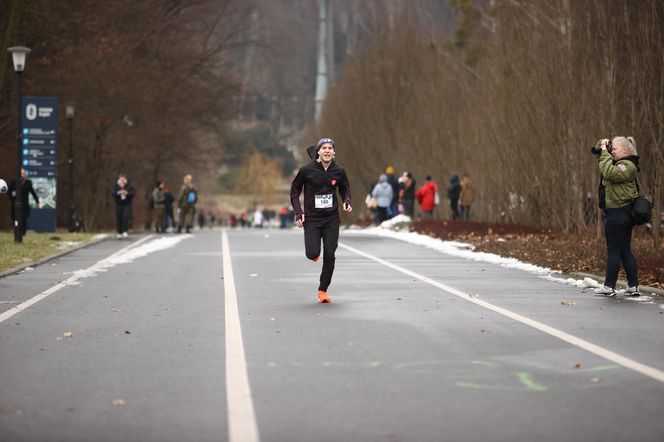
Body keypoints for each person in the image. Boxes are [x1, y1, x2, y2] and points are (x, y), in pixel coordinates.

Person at [290, 137, 352, 303]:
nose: (327, 150)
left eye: (330, 148)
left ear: (334, 152)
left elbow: (345, 188)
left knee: (330, 254)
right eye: (323, 148)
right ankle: (315, 252)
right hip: (312, 219)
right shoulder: (306, 170)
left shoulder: (339, 170)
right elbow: (295, 191)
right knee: (312, 253)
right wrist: (298, 212)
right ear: (318, 151)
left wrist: (347, 201)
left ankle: (323, 290)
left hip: (331, 219)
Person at [593, 136, 641, 297]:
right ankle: (633, 286)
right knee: (624, 250)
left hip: (619, 213)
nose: (612, 151)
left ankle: (608, 286)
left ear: (626, 150)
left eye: (615, 149)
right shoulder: (620, 163)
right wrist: (602, 146)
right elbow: (602, 160)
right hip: (621, 212)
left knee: (613, 251)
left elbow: (608, 172)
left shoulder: (627, 166)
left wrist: (606, 154)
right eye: (612, 149)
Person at [8, 168, 39, 236]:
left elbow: (32, 192)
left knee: (23, 219)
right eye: (21, 173)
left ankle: (23, 233)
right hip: (15, 204)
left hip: (24, 204)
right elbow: (9, 191)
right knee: (15, 218)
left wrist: (37, 201)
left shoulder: (28, 182)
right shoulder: (13, 182)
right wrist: (12, 199)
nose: (22, 175)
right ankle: (16, 231)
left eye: (23, 173)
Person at [111, 174, 135, 238]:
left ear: (125, 179)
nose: (122, 180)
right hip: (118, 204)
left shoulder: (129, 185)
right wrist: (118, 192)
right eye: (121, 179)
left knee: (125, 217)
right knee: (119, 217)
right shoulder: (116, 185)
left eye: (123, 179)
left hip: (127, 204)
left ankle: (125, 231)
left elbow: (133, 193)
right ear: (119, 179)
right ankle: (119, 232)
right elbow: (113, 193)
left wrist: (126, 193)